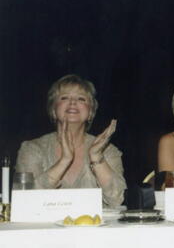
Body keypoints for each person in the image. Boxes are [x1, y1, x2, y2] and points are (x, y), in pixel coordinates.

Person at [15, 74, 126, 207]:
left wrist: (96, 158)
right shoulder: (32, 149)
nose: (73, 102)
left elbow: (117, 200)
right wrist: (64, 160)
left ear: (90, 112)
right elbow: (24, 202)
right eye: (64, 97)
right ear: (53, 110)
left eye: (81, 98)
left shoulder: (108, 151)